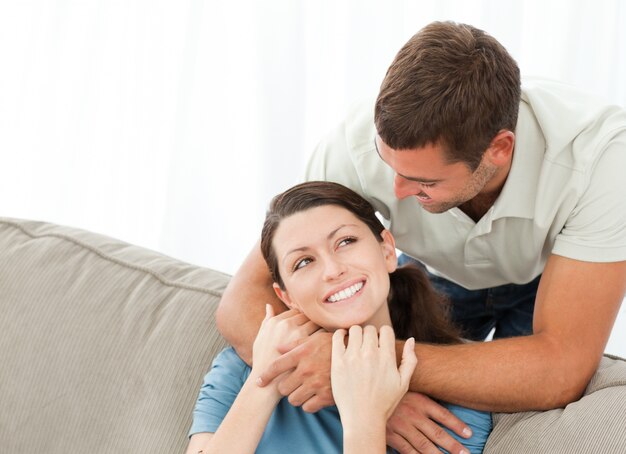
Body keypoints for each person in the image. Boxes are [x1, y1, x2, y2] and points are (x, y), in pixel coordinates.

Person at [216, 21, 626, 454]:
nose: (394, 192)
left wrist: (367, 374)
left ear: (499, 150)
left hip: (548, 279)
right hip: (436, 271)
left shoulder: (602, 164)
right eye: (388, 165)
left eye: (421, 181)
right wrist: (373, 401)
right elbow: (239, 301)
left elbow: (558, 369)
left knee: (521, 423)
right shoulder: (353, 147)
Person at [187, 181, 492, 453]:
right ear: (287, 297)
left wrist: (365, 420)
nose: (333, 270)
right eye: (304, 262)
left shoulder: (452, 412)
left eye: (345, 242)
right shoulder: (242, 370)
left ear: (387, 251)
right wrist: (264, 383)